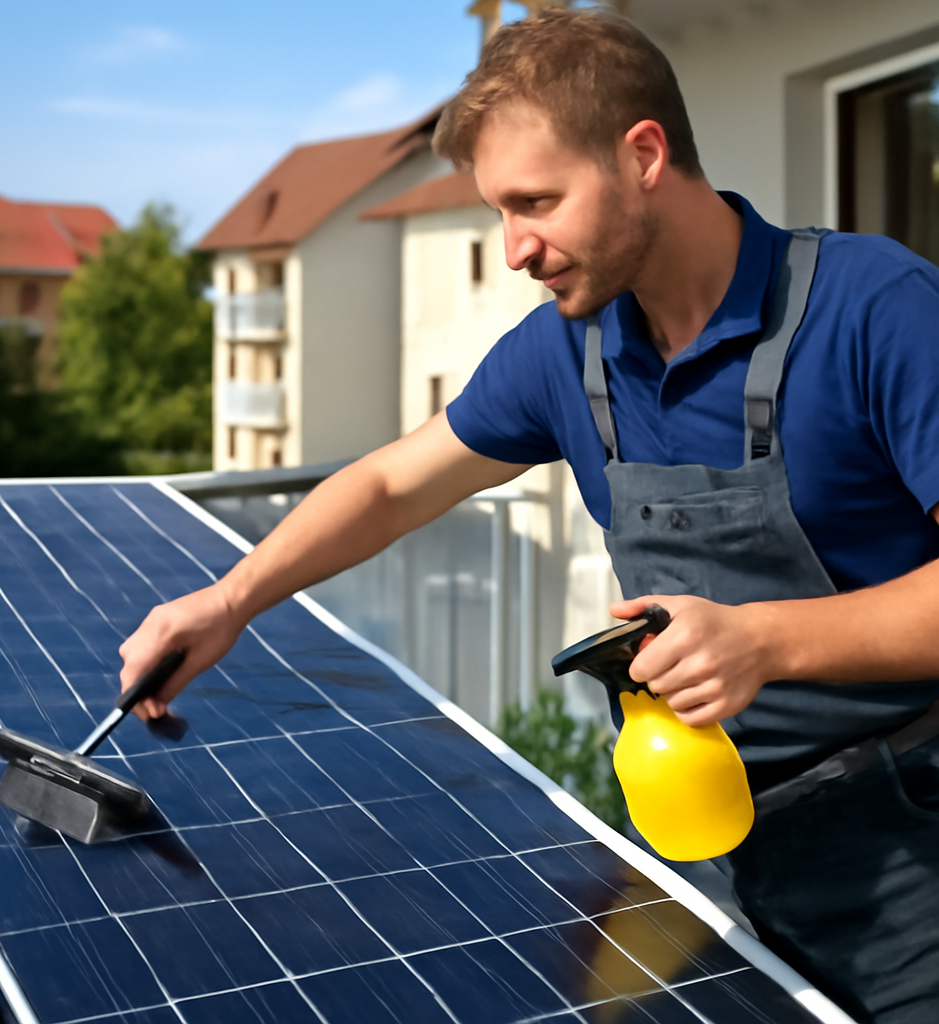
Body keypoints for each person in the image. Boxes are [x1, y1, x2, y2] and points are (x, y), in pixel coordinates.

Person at [119, 9, 939, 1022]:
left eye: (535, 202)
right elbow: (391, 483)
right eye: (497, 212)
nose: (513, 249)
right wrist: (231, 599)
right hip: (686, 839)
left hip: (908, 852)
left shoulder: (876, 309)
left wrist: (764, 639)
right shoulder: (568, 350)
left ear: (642, 155)